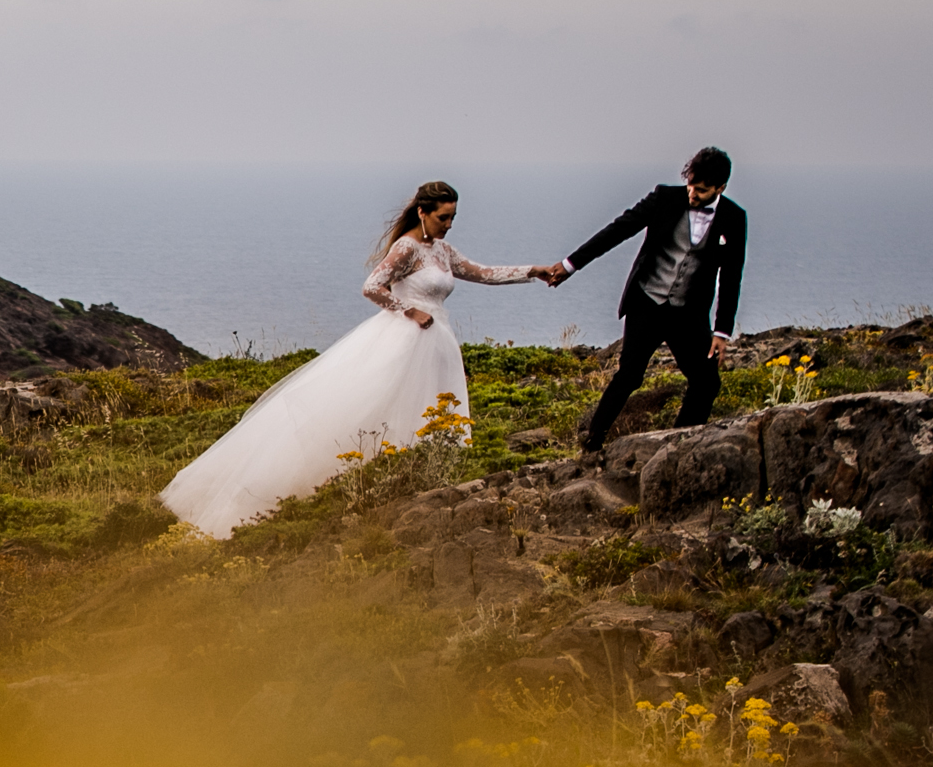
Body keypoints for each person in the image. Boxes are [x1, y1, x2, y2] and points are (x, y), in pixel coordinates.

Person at [161, 181, 557, 539]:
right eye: (443, 217)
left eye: (453, 217)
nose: (449, 225)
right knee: (372, 409)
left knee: (425, 412)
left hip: (437, 342)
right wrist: (410, 310)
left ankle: (417, 476)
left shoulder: (442, 250)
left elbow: (482, 273)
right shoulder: (407, 248)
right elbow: (371, 286)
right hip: (404, 338)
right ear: (423, 212)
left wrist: (532, 271)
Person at [555, 147, 748, 452]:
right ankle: (591, 443)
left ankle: (678, 444)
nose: (692, 194)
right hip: (647, 303)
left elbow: (732, 276)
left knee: (707, 382)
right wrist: (570, 265)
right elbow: (617, 231)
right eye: (690, 185)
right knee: (629, 376)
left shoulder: (735, 218)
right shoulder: (664, 198)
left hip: (688, 313)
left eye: (701, 190)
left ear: (720, 188)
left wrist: (721, 332)